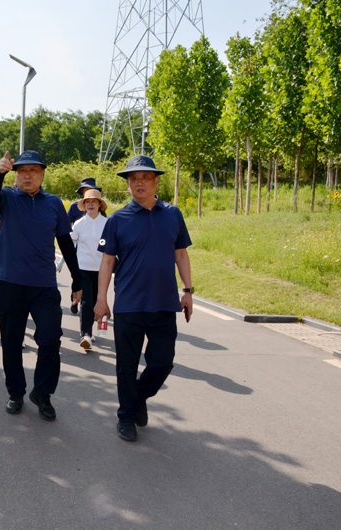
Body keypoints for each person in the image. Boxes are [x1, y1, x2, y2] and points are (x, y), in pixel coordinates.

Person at [94, 155, 193, 442]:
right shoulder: (117, 219)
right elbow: (107, 262)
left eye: (145, 177)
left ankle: (137, 398)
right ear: (127, 185)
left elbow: (181, 254)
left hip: (164, 303)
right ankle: (126, 416)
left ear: (156, 181)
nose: (139, 182)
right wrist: (101, 300)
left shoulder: (173, 214)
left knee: (163, 362)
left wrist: (187, 291)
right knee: (126, 364)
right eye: (133, 178)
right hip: (129, 304)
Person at [0, 150, 82, 421]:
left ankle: (43, 393)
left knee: (50, 339)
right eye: (22, 171)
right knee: (12, 342)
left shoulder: (53, 204)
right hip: (10, 282)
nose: (28, 176)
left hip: (44, 285)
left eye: (34, 171)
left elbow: (64, 241)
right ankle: (15, 393)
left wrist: (77, 277)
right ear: (16, 175)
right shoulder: (6, 197)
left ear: (42, 174)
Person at [69, 189, 108, 352]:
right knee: (87, 302)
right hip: (83, 268)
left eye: (94, 201)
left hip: (102, 270)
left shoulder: (107, 223)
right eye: (87, 202)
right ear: (84, 205)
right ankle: (86, 334)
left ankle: (93, 330)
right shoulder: (79, 224)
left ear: (100, 205)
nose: (91, 204)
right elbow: (69, 243)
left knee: (99, 300)